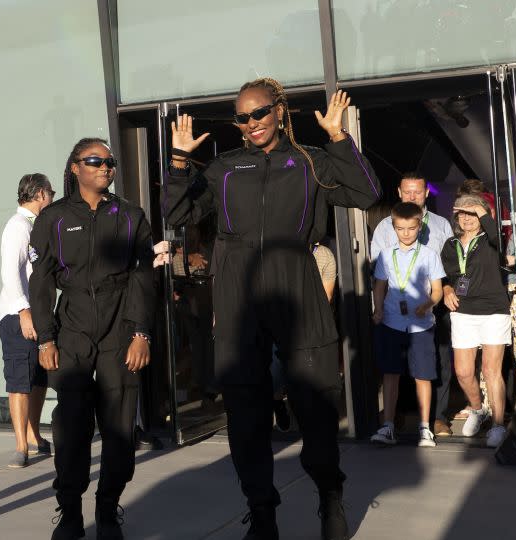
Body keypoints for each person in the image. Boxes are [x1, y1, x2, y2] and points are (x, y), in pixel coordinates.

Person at [165, 79, 381, 540]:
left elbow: (365, 193)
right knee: (245, 415)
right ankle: (261, 510)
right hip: (239, 299)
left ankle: (329, 496)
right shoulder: (224, 168)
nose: (251, 124)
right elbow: (178, 215)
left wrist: (340, 138)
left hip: (297, 287)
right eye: (242, 118)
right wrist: (180, 162)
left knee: (316, 406)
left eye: (259, 114)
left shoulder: (309, 162)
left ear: (279, 111)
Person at [29, 138, 156, 540]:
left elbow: (143, 278)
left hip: (120, 328)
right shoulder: (53, 218)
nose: (105, 167)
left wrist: (141, 332)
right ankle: (69, 513)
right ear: (74, 168)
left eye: (110, 162)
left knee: (120, 425)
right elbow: (41, 280)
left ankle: (106, 511)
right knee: (71, 426)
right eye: (95, 161)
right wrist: (46, 339)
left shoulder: (131, 216)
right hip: (72, 330)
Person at [369, 173, 455, 436]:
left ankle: (435, 418)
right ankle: (397, 417)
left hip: (432, 303)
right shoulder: (385, 226)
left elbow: (449, 263)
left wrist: (442, 291)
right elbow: (379, 270)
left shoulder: (441, 225)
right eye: (407, 192)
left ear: (426, 193)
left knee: (436, 362)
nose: (412, 196)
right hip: (396, 307)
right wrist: (379, 306)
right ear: (399, 192)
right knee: (398, 364)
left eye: (417, 192)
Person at [442, 195, 512, 449]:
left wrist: (480, 210)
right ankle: (477, 409)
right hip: (463, 312)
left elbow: (496, 234)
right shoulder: (450, 244)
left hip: (493, 310)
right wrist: (448, 289)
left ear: (482, 216)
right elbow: (447, 276)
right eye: (462, 213)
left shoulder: (492, 241)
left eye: (471, 213)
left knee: (491, 370)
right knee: (463, 372)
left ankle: (498, 424)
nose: (466, 218)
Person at [0, 173, 54, 468]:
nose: (53, 198)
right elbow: (10, 273)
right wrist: (24, 311)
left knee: (39, 377)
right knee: (20, 380)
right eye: (51, 193)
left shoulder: (38, 226)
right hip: (17, 315)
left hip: (39, 313)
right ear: (41, 194)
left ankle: (34, 435)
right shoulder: (18, 226)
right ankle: (21, 445)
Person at [272, 242, 337, 432]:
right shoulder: (280, 253)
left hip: (312, 323)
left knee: (307, 375)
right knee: (276, 373)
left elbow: (326, 296)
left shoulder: (324, 255)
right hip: (282, 321)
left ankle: (306, 417)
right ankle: (278, 403)